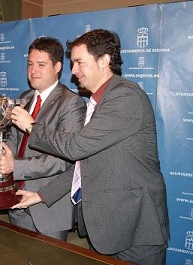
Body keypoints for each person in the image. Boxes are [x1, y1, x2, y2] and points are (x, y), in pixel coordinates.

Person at [10, 29, 169, 264]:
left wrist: (32, 126)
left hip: (136, 228)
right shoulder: (99, 102)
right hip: (107, 228)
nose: (73, 71)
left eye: (79, 62)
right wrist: (42, 195)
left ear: (104, 60)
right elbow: (85, 164)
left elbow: (75, 147)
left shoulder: (125, 97)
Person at [0, 36, 86, 241]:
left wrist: (15, 167)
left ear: (57, 67)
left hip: (47, 206)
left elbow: (63, 159)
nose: (33, 70)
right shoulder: (25, 97)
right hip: (16, 199)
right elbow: (13, 140)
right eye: (30, 64)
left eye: (41, 65)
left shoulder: (71, 103)